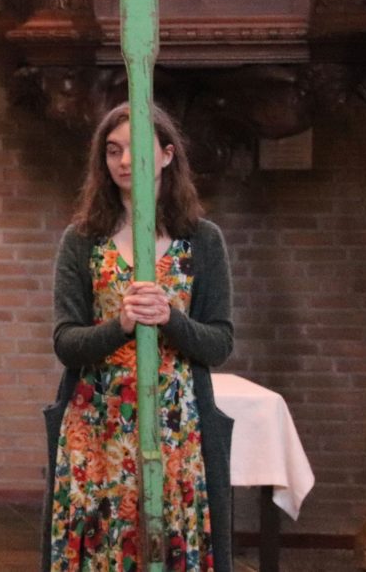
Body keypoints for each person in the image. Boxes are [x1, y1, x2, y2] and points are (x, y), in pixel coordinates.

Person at [43, 103, 234, 571]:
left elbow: (219, 342)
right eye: (113, 151)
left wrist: (170, 317)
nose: (125, 161)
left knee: (165, 546)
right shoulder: (82, 239)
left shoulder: (202, 239)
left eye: (136, 149)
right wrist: (120, 324)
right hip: (97, 428)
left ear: (167, 155)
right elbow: (65, 342)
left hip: (176, 431)